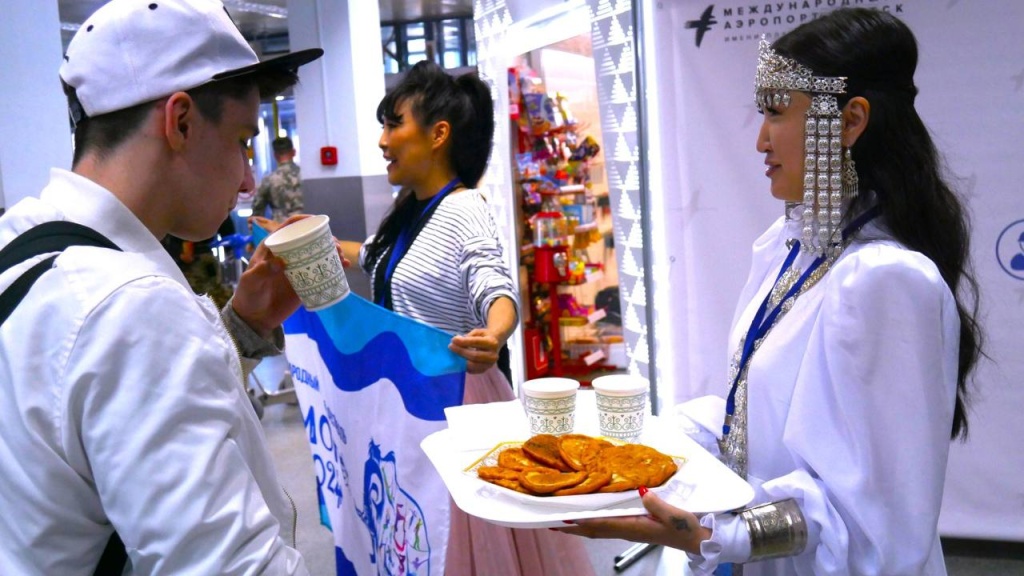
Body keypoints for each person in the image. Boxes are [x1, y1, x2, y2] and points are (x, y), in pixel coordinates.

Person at [558, 8, 982, 575]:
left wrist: (716, 535)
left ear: (851, 121)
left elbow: (877, 528)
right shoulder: (790, 247)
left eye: (777, 112)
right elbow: (757, 417)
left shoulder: (884, 279)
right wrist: (639, 443)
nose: (760, 140)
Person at [0, 0, 327, 573]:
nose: (248, 179)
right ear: (180, 122)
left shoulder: (21, 243)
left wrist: (240, 329)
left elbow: (77, 432)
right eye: (241, 141)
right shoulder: (131, 307)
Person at [358, 60, 595, 575]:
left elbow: (494, 285)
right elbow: (375, 258)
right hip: (411, 405)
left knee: (455, 543)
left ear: (438, 134)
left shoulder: (464, 209)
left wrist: (495, 333)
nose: (382, 140)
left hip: (454, 408)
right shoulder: (411, 212)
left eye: (394, 124)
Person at [252, 136, 305, 222]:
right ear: (294, 152)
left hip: (280, 226)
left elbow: (257, 209)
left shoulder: (269, 179)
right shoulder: (305, 176)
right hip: (307, 224)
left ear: (275, 155)